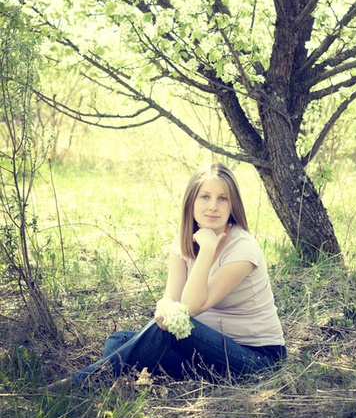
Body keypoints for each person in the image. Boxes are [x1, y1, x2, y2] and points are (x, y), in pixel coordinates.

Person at [49, 162, 286, 390]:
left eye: (222, 198)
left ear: (232, 205)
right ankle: (121, 383)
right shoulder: (183, 241)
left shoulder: (243, 250)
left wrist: (207, 250)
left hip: (255, 359)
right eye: (205, 197)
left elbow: (190, 308)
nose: (213, 206)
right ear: (191, 201)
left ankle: (78, 384)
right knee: (119, 340)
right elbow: (171, 298)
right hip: (205, 353)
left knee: (173, 326)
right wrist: (163, 307)